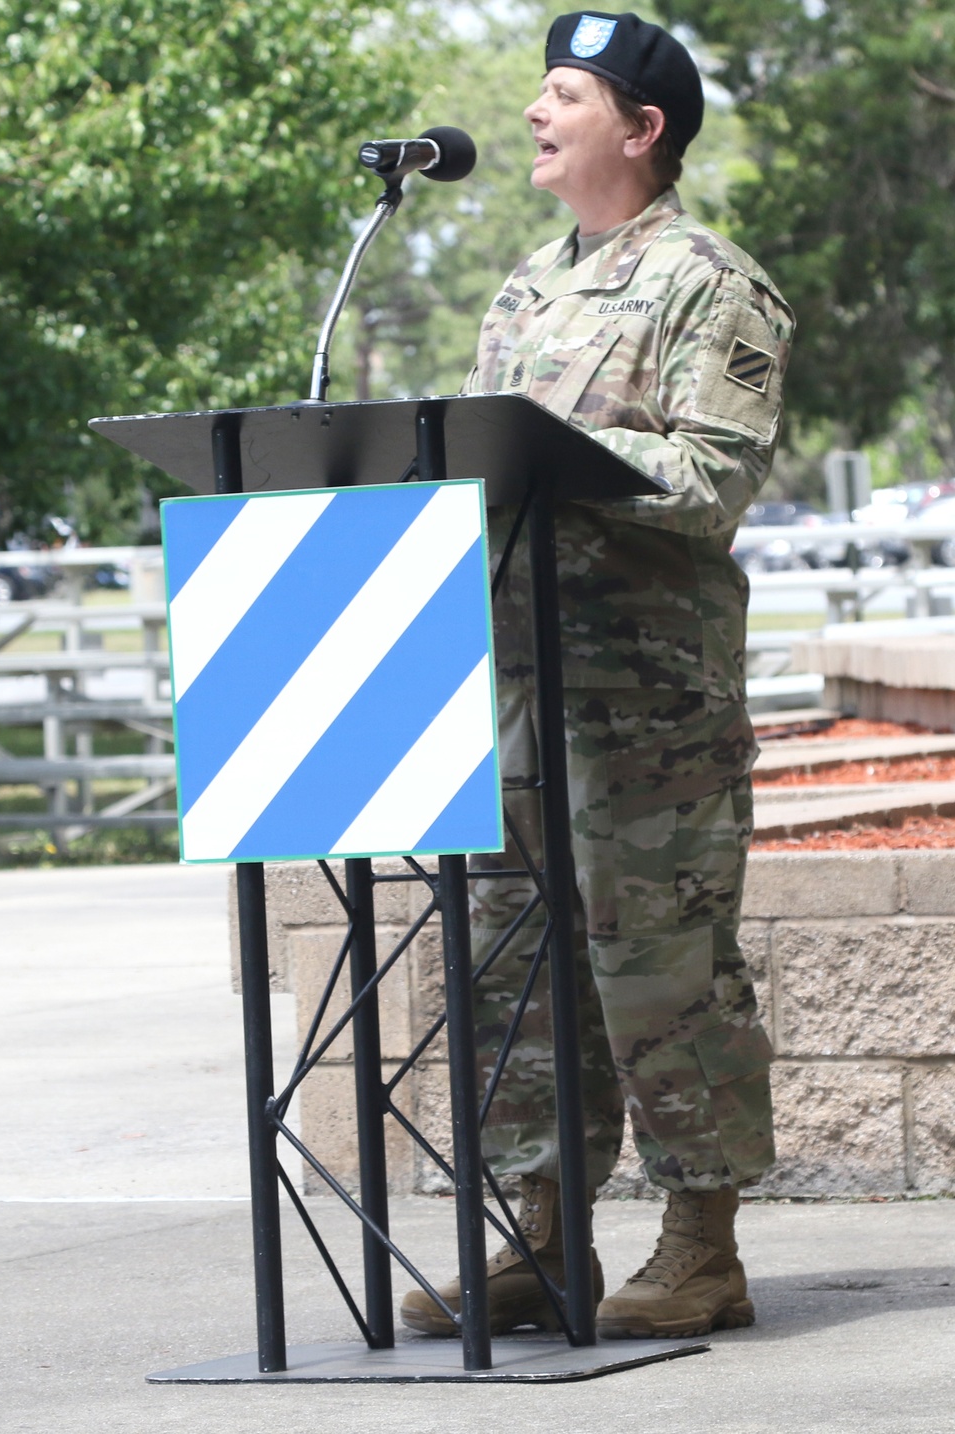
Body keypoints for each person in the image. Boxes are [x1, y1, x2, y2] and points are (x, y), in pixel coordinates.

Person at [401, 10, 794, 1339]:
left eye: (564, 93)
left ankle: (702, 1248)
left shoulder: (705, 282)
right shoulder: (523, 287)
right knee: (517, 971)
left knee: (662, 968)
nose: (532, 112)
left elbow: (719, 469)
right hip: (514, 688)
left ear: (642, 129)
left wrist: (563, 461)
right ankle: (542, 1242)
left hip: (649, 710)